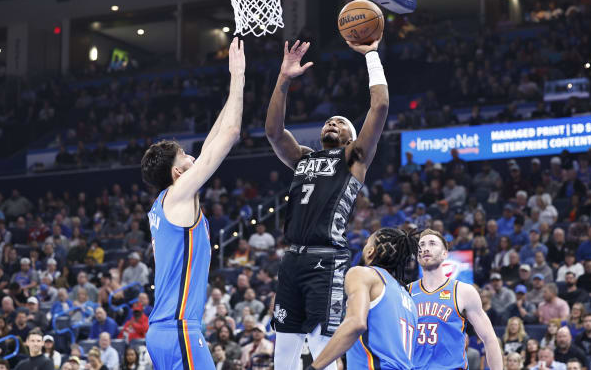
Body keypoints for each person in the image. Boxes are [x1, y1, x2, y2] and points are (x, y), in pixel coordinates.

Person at [265, 37, 389, 370]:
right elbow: (274, 132)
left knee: (324, 347)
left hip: (326, 260)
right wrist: (283, 80)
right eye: (327, 121)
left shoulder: (354, 158)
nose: (331, 122)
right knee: (284, 353)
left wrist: (372, 55)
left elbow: (379, 107)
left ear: (351, 136)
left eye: (340, 122)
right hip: (292, 259)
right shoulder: (303, 158)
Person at [141, 37, 245, 369]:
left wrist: (231, 95)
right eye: (186, 155)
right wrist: (239, 76)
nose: (194, 156)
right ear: (177, 171)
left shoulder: (162, 204)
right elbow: (229, 135)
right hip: (179, 329)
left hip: (161, 332)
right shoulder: (181, 193)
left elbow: (214, 136)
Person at [308, 227, 419, 369]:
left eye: (367, 243)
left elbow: (356, 323)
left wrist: (314, 367)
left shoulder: (363, 274)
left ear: (370, 251)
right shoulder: (408, 297)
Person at [408, 229, 502, 370]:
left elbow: (489, 339)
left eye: (432, 243)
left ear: (445, 253)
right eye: (421, 245)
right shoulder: (405, 292)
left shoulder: (463, 291)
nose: (426, 248)